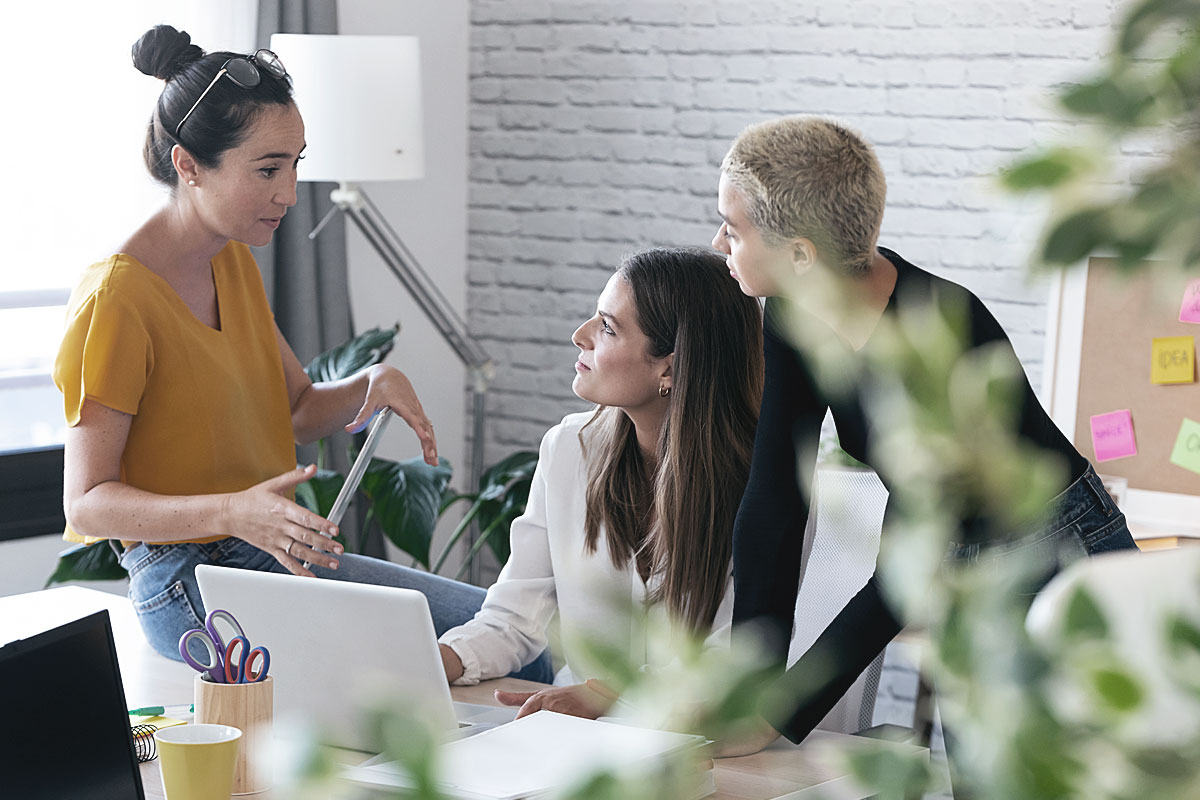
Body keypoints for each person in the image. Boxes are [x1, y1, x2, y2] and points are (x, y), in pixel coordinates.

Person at [54, 25, 547, 682]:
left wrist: (372, 382)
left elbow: (296, 410)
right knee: (471, 659)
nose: (288, 192)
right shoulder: (116, 299)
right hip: (184, 580)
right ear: (189, 165)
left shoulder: (230, 259)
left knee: (513, 639)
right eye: (266, 169)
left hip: (270, 552)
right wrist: (231, 510)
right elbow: (86, 502)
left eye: (295, 164)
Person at [709, 116, 1138, 764]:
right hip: (966, 565)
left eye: (733, 229)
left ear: (801, 253)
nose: (719, 242)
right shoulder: (794, 314)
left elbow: (908, 571)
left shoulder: (941, 333)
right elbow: (774, 499)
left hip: (1056, 553)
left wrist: (785, 710)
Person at [437, 246, 765, 719]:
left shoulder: (759, 488)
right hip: (569, 735)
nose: (580, 335)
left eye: (607, 327)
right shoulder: (568, 449)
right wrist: (435, 662)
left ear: (669, 367)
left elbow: (735, 663)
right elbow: (513, 618)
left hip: (699, 746)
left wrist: (613, 696)